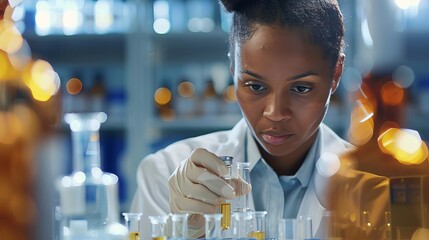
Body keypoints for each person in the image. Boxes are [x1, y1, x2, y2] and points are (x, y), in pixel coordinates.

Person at [130, 0, 389, 239]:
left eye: (301, 88)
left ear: (336, 74)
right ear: (233, 69)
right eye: (255, 86)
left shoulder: (377, 189)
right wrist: (187, 232)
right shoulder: (163, 175)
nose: (275, 113)